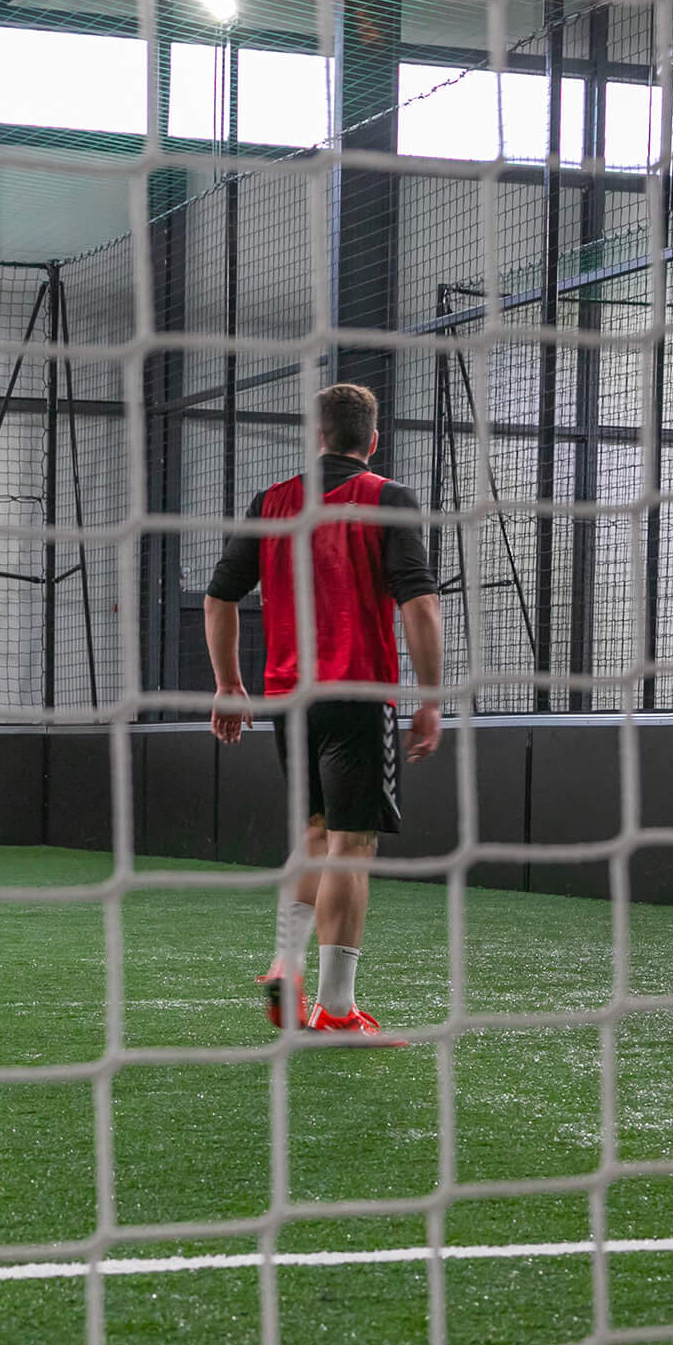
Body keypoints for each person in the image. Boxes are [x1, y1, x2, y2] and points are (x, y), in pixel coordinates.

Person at [203, 382, 443, 1042]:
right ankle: (337, 1011)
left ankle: (286, 962)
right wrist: (431, 698)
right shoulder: (387, 499)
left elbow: (219, 597)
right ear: (372, 440)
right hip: (359, 693)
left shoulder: (273, 503)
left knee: (314, 829)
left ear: (316, 435)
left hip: (289, 696)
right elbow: (420, 606)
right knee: (352, 844)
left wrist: (229, 684)